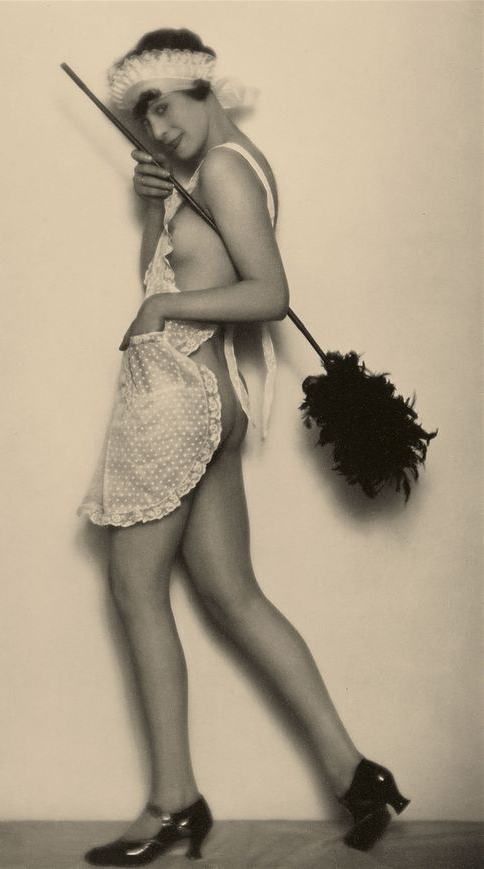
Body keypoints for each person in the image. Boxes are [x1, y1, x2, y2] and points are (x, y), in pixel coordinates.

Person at [77, 28, 410, 867]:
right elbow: (172, 272)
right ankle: (356, 772)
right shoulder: (216, 170)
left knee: (133, 589)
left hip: (176, 396)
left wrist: (160, 313)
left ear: (203, 88)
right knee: (232, 595)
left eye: (164, 105)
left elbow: (267, 293)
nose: (157, 127)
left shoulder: (224, 169)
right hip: (207, 396)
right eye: (143, 114)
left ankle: (173, 801)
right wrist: (155, 207)